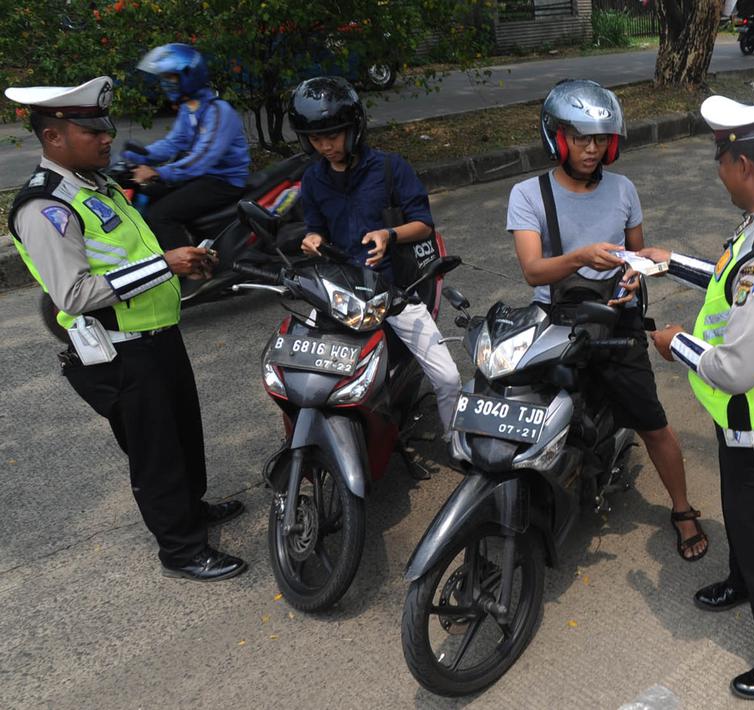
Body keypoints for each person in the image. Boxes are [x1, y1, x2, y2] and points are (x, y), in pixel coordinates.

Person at [4, 77, 247, 581]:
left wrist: (184, 265)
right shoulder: (46, 206)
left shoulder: (97, 185)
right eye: (91, 131)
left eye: (105, 127)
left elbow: (132, 256)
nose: (106, 137)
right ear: (53, 138)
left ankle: (192, 510)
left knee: (182, 434)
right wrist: (165, 267)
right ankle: (181, 551)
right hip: (119, 352)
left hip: (158, 334)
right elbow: (73, 294)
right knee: (154, 451)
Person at [643, 95, 754, 700]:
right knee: (750, 523)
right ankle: (743, 580)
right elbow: (731, 277)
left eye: (720, 156)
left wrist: (677, 344)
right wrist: (675, 264)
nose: (717, 169)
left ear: (743, 164)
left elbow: (738, 367)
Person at [505, 79, 709, 561]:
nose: (591, 149)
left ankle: (682, 509)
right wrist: (579, 257)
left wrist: (637, 276)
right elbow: (533, 269)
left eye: (600, 139)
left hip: (616, 320)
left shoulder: (623, 189)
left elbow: (640, 255)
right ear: (556, 137)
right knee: (514, 406)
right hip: (554, 320)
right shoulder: (528, 194)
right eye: (580, 138)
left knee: (652, 422)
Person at [288, 76, 461, 440]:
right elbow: (314, 227)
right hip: (340, 296)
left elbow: (424, 225)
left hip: (393, 291)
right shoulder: (313, 179)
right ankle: (307, 448)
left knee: (448, 378)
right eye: (316, 139)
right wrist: (312, 239)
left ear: (353, 130)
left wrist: (389, 235)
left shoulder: (389, 168)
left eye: (332, 136)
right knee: (303, 375)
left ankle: (455, 442)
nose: (325, 146)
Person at [123, 44, 250, 250]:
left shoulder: (218, 111)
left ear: (189, 76)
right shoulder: (188, 108)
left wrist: (157, 172)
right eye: (163, 78)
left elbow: (202, 159)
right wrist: (141, 156)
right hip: (201, 177)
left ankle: (190, 271)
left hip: (223, 181)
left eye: (171, 78)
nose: (166, 84)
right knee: (149, 195)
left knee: (160, 215)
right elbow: (174, 142)